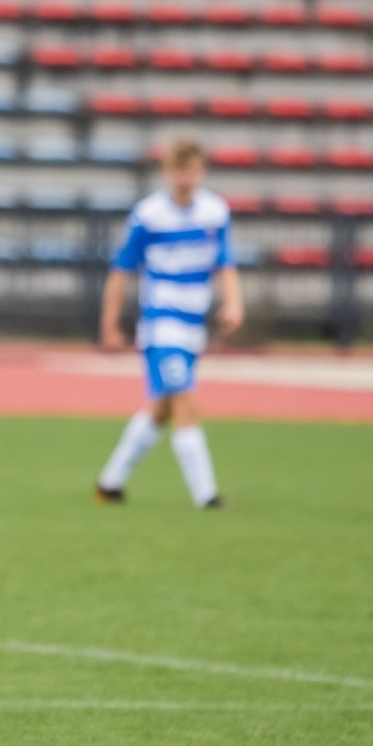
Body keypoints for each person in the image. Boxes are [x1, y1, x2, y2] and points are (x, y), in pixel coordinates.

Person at [94, 140, 243, 508]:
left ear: (201, 171)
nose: (185, 179)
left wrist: (234, 303)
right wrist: (110, 323)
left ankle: (109, 483)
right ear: (166, 173)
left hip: (194, 326)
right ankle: (206, 496)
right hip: (162, 325)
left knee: (160, 409)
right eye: (178, 171)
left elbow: (225, 263)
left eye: (191, 171)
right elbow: (121, 270)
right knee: (186, 403)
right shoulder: (149, 215)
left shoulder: (214, 212)